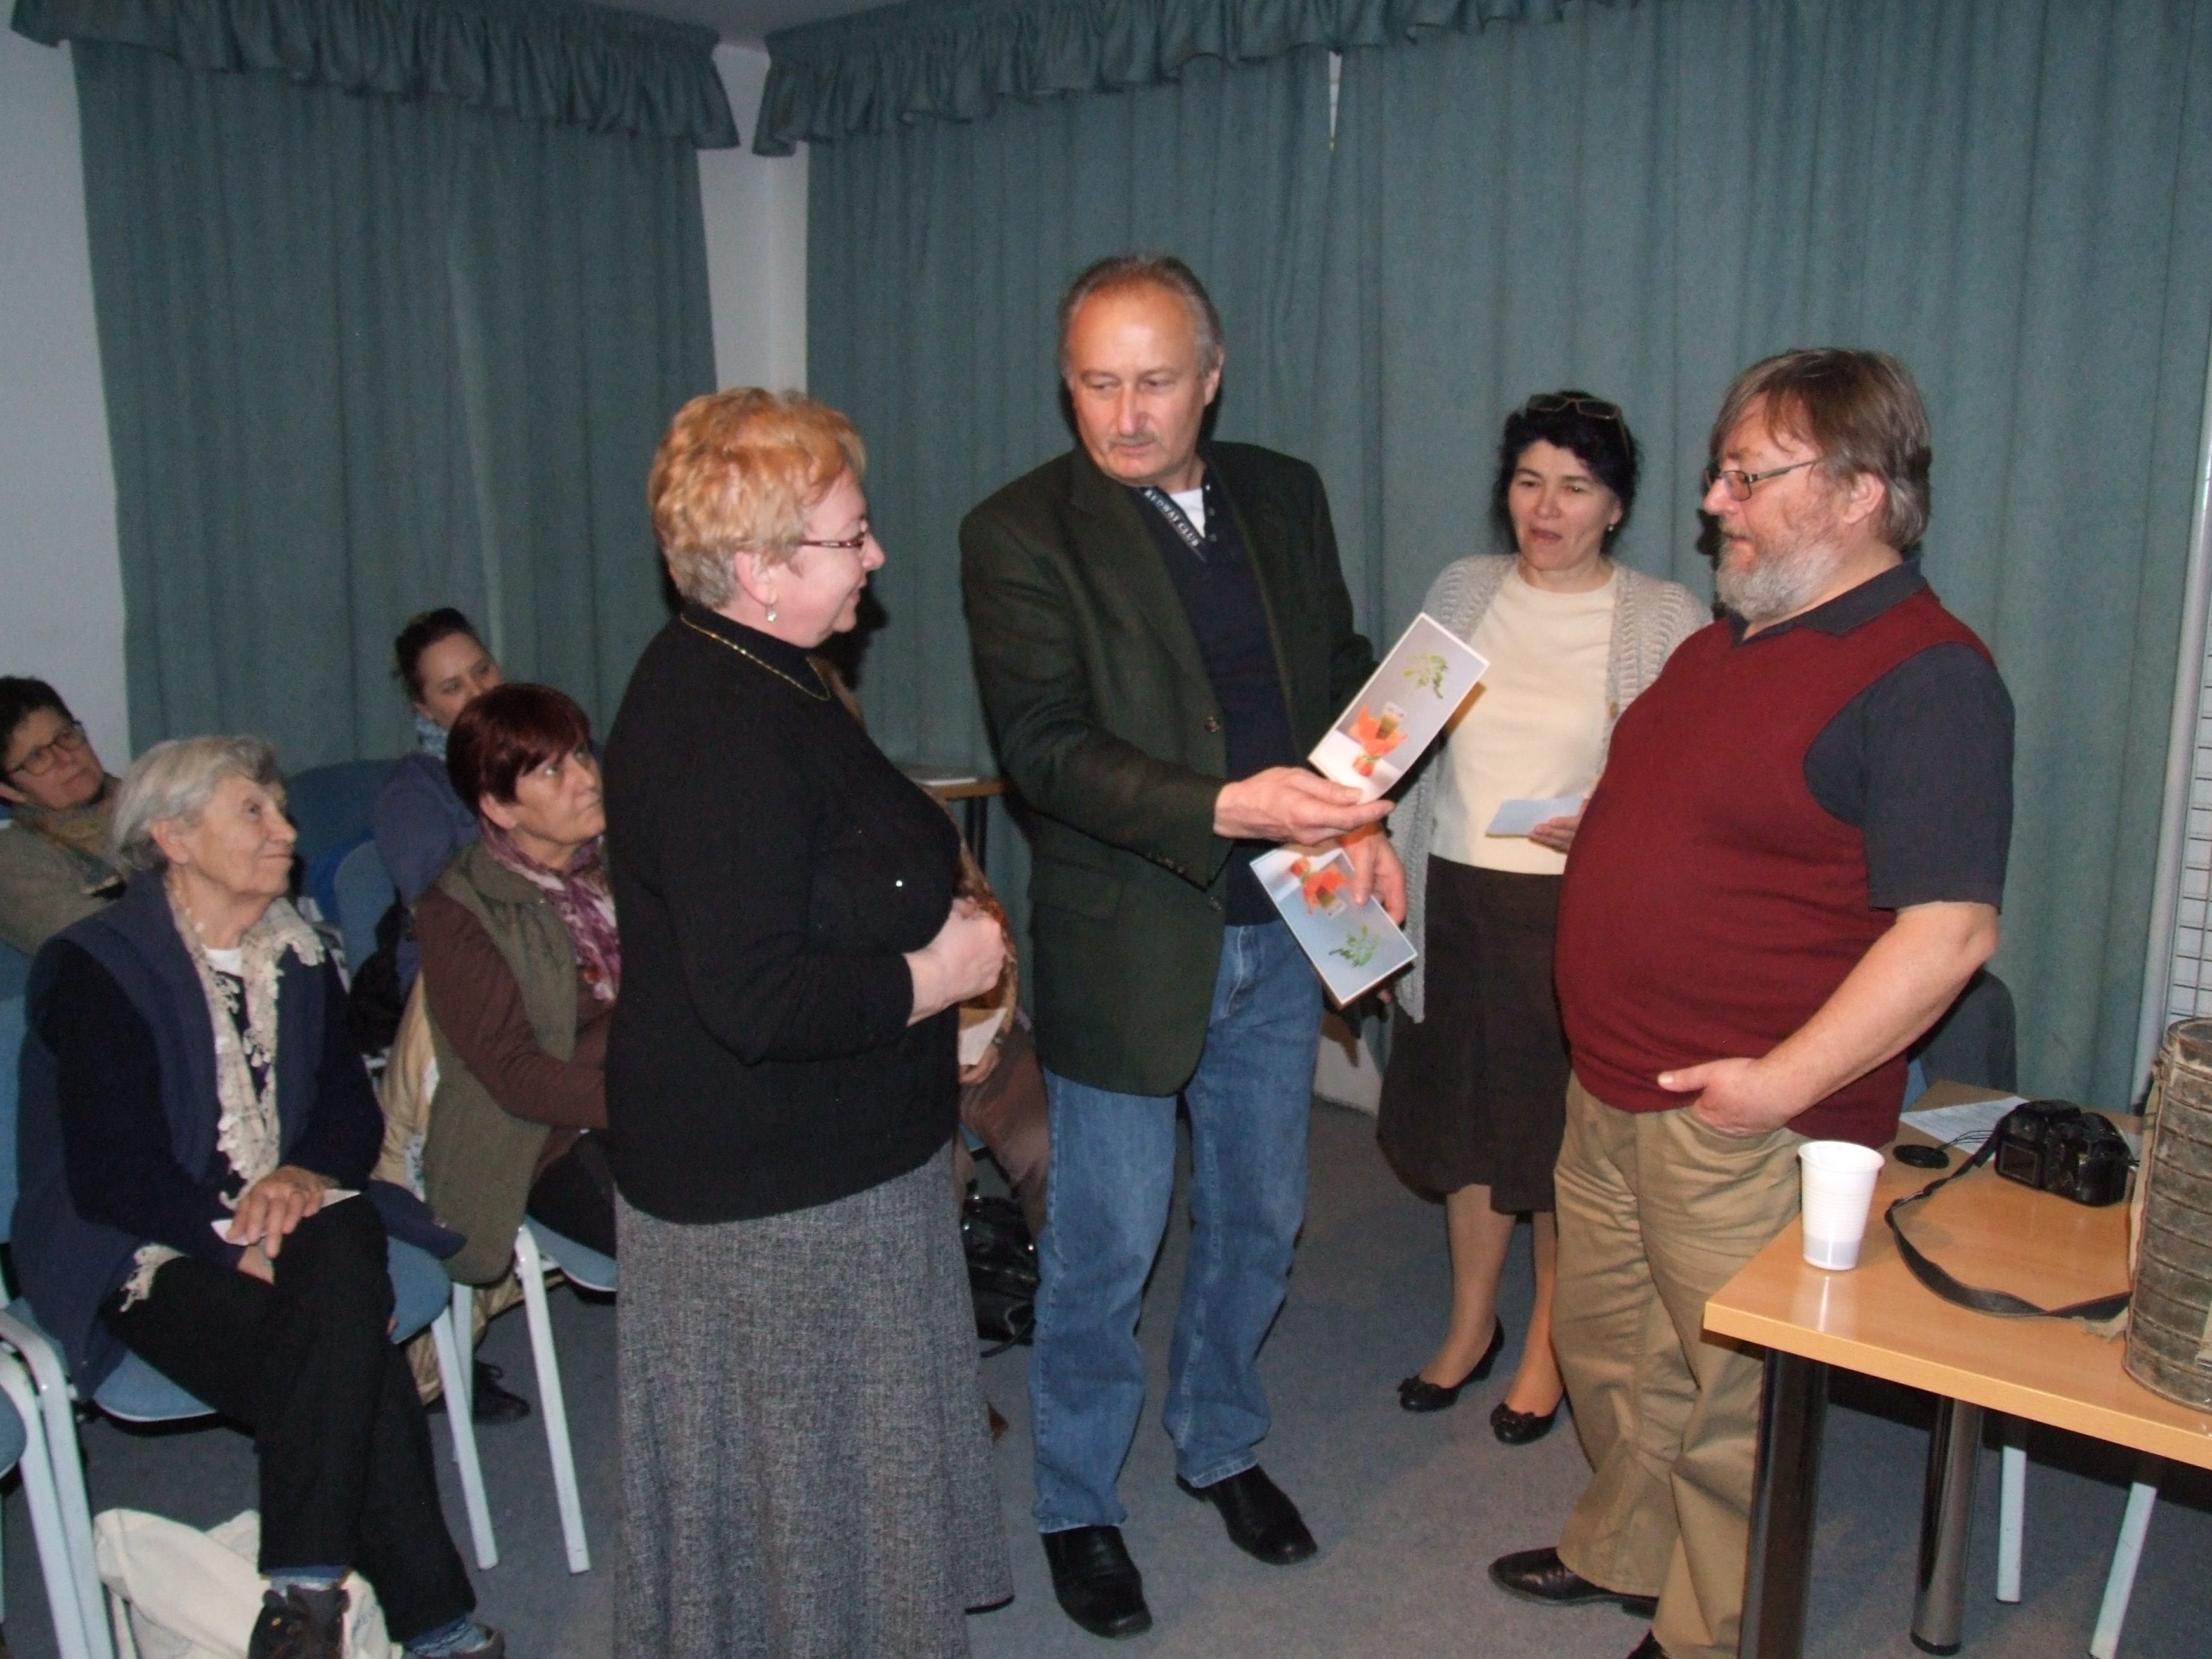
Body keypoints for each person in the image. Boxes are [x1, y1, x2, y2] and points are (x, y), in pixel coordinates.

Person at [1490, 349, 2013, 1659]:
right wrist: (1618, 839)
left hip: (1746, 1119)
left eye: (1747, 476)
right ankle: (1627, 1551)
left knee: (1729, 1401)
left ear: (1857, 491)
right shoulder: (1724, 644)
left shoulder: (1928, 674)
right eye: (1721, 472)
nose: (1712, 501)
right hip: (1611, 1082)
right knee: (1613, 1352)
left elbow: (1949, 933)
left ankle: (1707, 1629)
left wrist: (1776, 1086)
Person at [961, 254, 1402, 1639]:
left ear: (1211, 377)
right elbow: (1044, 748)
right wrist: (1228, 805)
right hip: (1128, 941)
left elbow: (1333, 666)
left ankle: (1218, 1441)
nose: (1126, 414)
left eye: (1155, 381)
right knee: (1104, 1247)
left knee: (1260, 1215)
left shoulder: (1284, 492)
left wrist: (1361, 815)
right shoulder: (1016, 531)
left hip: (1284, 924)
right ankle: (1076, 1504)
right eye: (1097, 383)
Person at [606, 387, 1012, 1657]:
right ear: (759, 567)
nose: (876, 556)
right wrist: (935, 977)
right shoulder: (718, 731)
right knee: (814, 1533)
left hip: (830, 1164)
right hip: (770, 1201)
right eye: (850, 536)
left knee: (842, 1514)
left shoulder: (769, 675)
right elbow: (755, 996)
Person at [13, 736, 505, 1659]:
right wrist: (237, 1244)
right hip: (144, 1241)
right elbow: (114, 1174)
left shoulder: (295, 952)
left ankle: (303, 1597)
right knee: (348, 1351)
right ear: (173, 838)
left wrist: (299, 1175)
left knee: (341, 1250)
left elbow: (346, 1112)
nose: (286, 830)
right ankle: (437, 1629)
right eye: (254, 812)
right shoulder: (96, 966)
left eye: (280, 809)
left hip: (294, 1213)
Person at [1379, 394, 1703, 1441]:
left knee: (1558, 1141)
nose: (1546, 508)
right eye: (1527, 482)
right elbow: (1392, 734)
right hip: (1451, 897)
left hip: (1574, 912)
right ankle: (1471, 1322)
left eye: (1574, 487)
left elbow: (1693, 786)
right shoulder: (1463, 589)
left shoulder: (1662, 617)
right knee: (1465, 1128)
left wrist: (1613, 821)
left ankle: (1551, 1344)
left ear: (1616, 507)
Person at [415, 683, 620, 1292]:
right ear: (501, 808)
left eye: (580, 753)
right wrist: (653, 1099)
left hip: (657, 1092)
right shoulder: (458, 911)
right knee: (707, 1229)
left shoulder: (626, 862)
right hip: (539, 1141)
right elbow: (517, 1075)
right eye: (553, 771)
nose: (585, 779)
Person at [373, 610, 504, 984]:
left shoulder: (563, 747)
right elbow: (444, 916)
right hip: (465, 972)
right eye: (452, 688)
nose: (479, 693)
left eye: (483, 671)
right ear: (425, 709)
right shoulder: (413, 792)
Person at [0, 677, 125, 954]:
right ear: (8, 790)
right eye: (37, 757)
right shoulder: (14, 858)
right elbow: (104, 942)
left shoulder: (163, 802)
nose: (67, 758)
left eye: (65, 736)